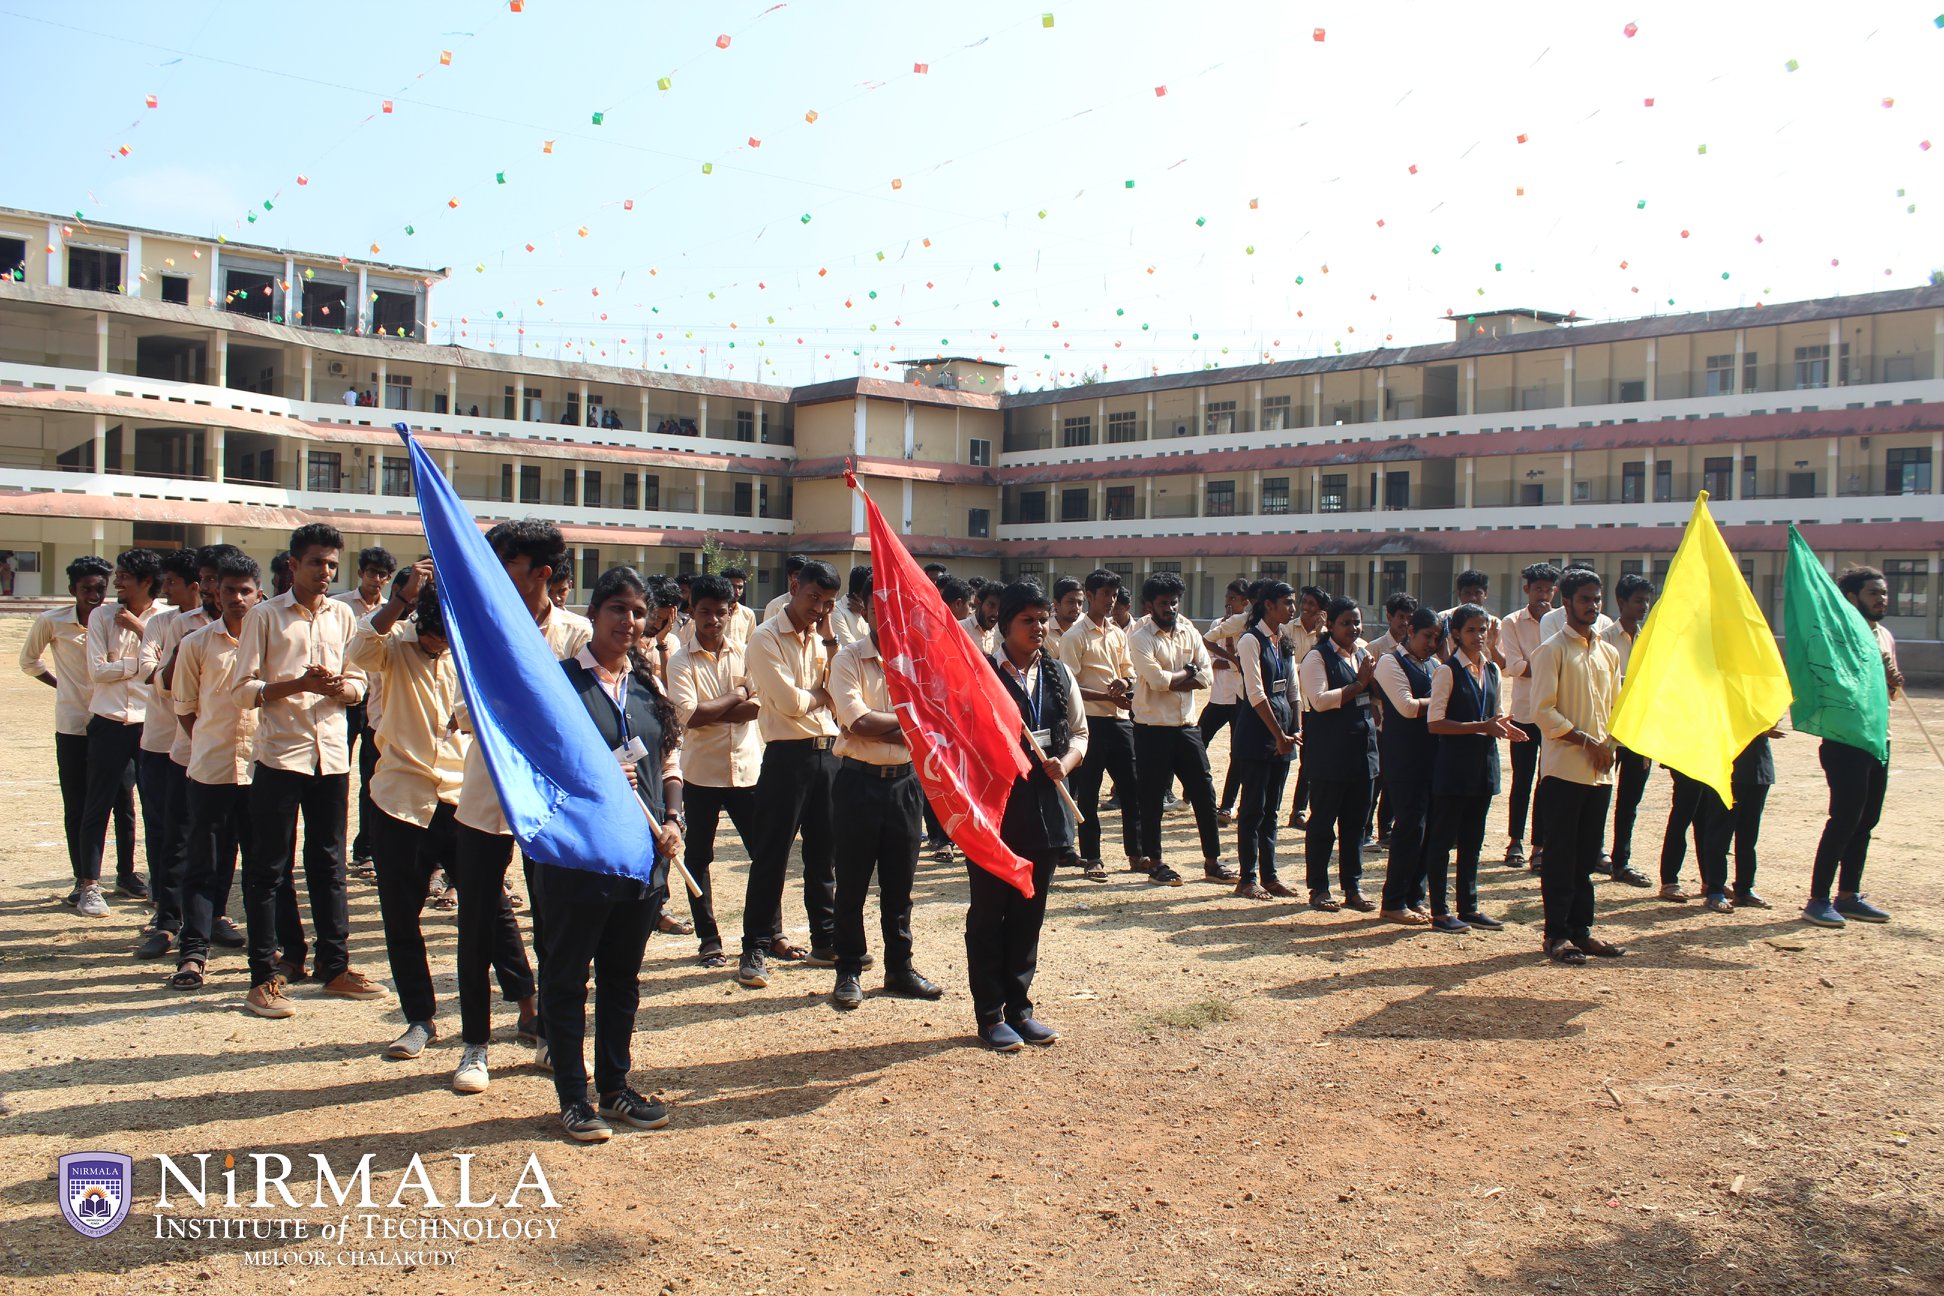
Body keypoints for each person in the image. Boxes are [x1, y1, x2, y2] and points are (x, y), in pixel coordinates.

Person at [349, 562, 517, 1085]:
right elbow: (358, 651)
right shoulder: (395, 645)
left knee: (489, 908)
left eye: (446, 638)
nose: (438, 647)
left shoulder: (466, 655)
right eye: (432, 637)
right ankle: (420, 1020)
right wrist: (400, 599)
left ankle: (526, 1001)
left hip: (458, 798)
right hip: (399, 798)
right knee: (402, 915)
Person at [542, 567, 685, 1142]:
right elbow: (540, 771)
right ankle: (573, 1098)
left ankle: (614, 1087)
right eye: (617, 610)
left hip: (642, 859)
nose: (628, 622)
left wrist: (674, 819)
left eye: (637, 612)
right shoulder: (559, 687)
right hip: (581, 859)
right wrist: (592, 778)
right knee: (568, 976)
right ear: (593, 612)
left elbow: (670, 764)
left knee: (622, 978)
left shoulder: (647, 688)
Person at [452, 520, 589, 1068]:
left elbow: (578, 717)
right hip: (486, 791)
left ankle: (552, 1033)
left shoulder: (576, 635)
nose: (493, 574)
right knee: (477, 919)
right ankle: (474, 1046)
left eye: (506, 563)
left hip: (552, 802)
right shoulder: (476, 630)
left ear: (542, 573)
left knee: (555, 921)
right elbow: (465, 712)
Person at [231, 523, 383, 1017]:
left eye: (332, 564)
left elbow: (360, 682)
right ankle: (264, 976)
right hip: (281, 755)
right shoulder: (265, 616)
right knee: (269, 867)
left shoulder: (343, 616)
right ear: (293, 565)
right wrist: (297, 684)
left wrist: (339, 689)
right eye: (317, 562)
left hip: (331, 756)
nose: (325, 572)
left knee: (328, 862)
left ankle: (334, 967)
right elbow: (244, 688)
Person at [974, 581, 1087, 1050]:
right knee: (989, 914)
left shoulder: (1059, 674)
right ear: (1006, 624)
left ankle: (1020, 1009)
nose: (1039, 627)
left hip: (1045, 810)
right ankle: (989, 1014)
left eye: (1044, 619)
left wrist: (1068, 760)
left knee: (1029, 913)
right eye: (1029, 620)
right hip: (996, 812)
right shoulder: (979, 674)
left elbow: (1080, 733)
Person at [827, 574, 943, 1008]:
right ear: (865, 608)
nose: (888, 615)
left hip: (905, 786)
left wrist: (897, 725)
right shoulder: (848, 659)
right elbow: (857, 722)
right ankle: (849, 970)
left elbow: (935, 719)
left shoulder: (918, 660)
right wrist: (913, 723)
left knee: (900, 885)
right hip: (857, 782)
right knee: (853, 883)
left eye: (896, 607)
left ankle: (900, 968)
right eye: (879, 607)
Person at [738, 559, 843, 987]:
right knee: (772, 856)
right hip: (786, 758)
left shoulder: (822, 640)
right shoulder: (764, 639)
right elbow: (789, 702)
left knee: (824, 857)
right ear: (794, 587)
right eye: (813, 597)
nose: (818, 608)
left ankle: (825, 939)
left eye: (828, 602)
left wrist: (831, 641)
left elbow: (841, 691)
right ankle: (754, 948)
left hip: (828, 754)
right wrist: (823, 693)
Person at [169, 553, 271, 990]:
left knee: (263, 867)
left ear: (259, 594)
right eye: (228, 590)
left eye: (244, 590)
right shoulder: (196, 644)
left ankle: (267, 957)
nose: (236, 598)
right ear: (215, 593)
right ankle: (193, 952)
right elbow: (185, 708)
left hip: (259, 771)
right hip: (210, 769)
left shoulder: (272, 644)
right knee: (203, 865)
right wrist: (209, 744)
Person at [22, 556, 135, 898]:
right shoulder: (52, 621)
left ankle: (127, 874)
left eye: (101, 587)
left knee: (123, 802)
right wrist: (60, 685)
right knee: (79, 803)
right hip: (74, 724)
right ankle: (83, 878)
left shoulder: (118, 621)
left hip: (115, 722)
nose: (95, 594)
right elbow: (29, 661)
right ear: (73, 589)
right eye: (86, 588)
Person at [1530, 567, 1625, 965]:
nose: (1593, 606)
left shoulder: (1608, 651)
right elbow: (1543, 711)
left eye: (1596, 599)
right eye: (1585, 599)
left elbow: (1617, 708)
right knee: (1560, 856)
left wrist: (1611, 743)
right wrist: (1586, 741)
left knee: (1587, 857)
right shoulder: (1551, 649)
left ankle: (1582, 930)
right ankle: (1556, 935)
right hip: (1564, 770)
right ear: (1566, 602)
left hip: (1600, 772)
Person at [667, 574, 761, 968]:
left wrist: (723, 706)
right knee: (699, 858)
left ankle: (765, 934)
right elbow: (692, 716)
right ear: (692, 611)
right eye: (704, 612)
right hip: (701, 774)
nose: (712, 620)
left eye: (720, 613)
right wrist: (738, 695)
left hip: (747, 770)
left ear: (731, 612)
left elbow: (760, 707)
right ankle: (709, 938)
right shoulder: (679, 660)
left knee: (765, 854)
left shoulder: (746, 652)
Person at [1802, 566, 1901, 927]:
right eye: (1874, 593)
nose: (1881, 599)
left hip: (1879, 740)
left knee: (1866, 820)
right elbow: (1838, 685)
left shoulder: (1885, 636)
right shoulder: (1840, 637)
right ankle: (1817, 899)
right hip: (1846, 741)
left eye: (1884, 592)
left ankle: (1849, 895)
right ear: (1851, 597)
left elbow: (1889, 694)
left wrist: (1891, 679)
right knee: (1844, 819)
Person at [75, 549, 166, 917]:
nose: (118, 582)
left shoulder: (166, 618)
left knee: (155, 809)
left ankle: (159, 888)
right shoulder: (101, 616)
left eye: (126, 576)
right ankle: (89, 886)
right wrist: (140, 664)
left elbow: (173, 662)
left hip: (151, 724)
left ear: (146, 582)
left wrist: (141, 632)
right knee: (97, 805)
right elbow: (98, 671)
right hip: (109, 722)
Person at [1423, 606, 1526, 932]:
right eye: (1471, 630)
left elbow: (1496, 715)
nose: (1478, 636)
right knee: (1441, 841)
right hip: (1454, 767)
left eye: (1483, 629)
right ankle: (1439, 909)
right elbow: (1435, 723)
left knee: (1473, 840)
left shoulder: (1492, 669)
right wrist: (1481, 725)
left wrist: (1508, 730)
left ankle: (1469, 906)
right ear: (1455, 635)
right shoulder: (1447, 671)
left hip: (1483, 766)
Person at [131, 549, 210, 958]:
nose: (165, 589)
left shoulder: (243, 621)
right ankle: (166, 916)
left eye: (173, 583)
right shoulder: (165, 625)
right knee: (167, 833)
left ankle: (212, 918)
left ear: (196, 584)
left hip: (213, 747)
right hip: (165, 742)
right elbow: (153, 676)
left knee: (211, 834)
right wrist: (182, 651)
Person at [1128, 572, 1230, 887]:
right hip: (1152, 728)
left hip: (1187, 728)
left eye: (1174, 602)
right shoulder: (1139, 636)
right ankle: (1156, 862)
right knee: (1151, 797)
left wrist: (1177, 678)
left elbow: (1208, 678)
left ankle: (1213, 862)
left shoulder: (1188, 630)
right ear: (1149, 605)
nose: (1170, 609)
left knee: (1204, 793)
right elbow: (1156, 682)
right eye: (1163, 603)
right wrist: (1188, 673)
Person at [1056, 569, 1139, 883]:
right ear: (1089, 596)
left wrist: (1125, 682)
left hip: (1120, 721)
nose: (1111, 600)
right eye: (1105, 594)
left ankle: (1137, 852)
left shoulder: (1117, 633)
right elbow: (1070, 685)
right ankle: (1092, 857)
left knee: (1132, 789)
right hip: (1090, 722)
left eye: (1114, 595)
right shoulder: (1074, 636)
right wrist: (1108, 695)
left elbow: (1129, 671)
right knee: (1088, 793)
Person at [1298, 597, 1379, 912]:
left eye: (1357, 622)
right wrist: (1359, 685)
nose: (1353, 628)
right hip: (1330, 755)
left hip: (1363, 754)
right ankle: (1319, 888)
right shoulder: (1316, 658)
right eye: (1346, 622)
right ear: (1329, 625)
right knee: (1323, 824)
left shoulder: (1363, 653)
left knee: (1356, 825)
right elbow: (1319, 700)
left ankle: (1353, 887)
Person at [1230, 581, 1301, 900]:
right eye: (1287, 603)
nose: (1293, 609)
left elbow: (1293, 689)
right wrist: (1278, 735)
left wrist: (1295, 730)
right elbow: (1256, 693)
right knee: (1253, 808)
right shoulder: (1250, 640)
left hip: (1283, 729)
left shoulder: (1282, 639)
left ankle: (1270, 875)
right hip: (1258, 732)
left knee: (1271, 808)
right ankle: (1247, 878)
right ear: (1268, 605)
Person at [1375, 607, 1441, 923]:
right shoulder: (1390, 662)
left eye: (1437, 638)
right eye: (1427, 636)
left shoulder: (1434, 665)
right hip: (1403, 756)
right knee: (1409, 827)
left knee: (1427, 830)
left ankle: (1416, 895)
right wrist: (1442, 700)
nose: (1431, 643)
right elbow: (1406, 706)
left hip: (1431, 755)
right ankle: (1393, 900)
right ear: (1411, 631)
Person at [335, 546, 397, 883]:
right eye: (371, 572)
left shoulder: (392, 611)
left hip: (378, 701)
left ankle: (367, 849)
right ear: (361, 573)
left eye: (382, 575)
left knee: (372, 775)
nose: (376, 580)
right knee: (338, 773)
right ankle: (349, 848)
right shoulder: (341, 606)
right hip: (346, 695)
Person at [1497, 562, 1557, 871]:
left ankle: (1540, 844)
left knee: (1547, 781)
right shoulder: (1512, 622)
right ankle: (1515, 840)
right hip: (1523, 712)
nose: (1543, 595)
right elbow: (1513, 667)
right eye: (1537, 589)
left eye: (1548, 590)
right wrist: (1549, 669)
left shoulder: (1561, 623)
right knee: (1522, 779)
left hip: (1553, 713)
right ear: (1527, 590)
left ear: (1555, 592)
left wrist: (1542, 669)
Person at [1601, 574, 1656, 887]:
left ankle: (1621, 861)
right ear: (1621, 602)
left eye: (1646, 601)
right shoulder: (1605, 638)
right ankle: (1595, 854)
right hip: (1608, 732)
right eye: (1638, 600)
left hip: (1638, 732)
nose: (1644, 607)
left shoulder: (1650, 640)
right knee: (1600, 796)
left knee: (1629, 800)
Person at [1696, 728, 1783, 913]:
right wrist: (1758, 727)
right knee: (1720, 833)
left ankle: (1744, 889)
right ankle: (1715, 890)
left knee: (1749, 835)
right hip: (1729, 768)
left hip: (1759, 768)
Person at [1200, 579, 1253, 826]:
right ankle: (1193, 791)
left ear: (1246, 602)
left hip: (1240, 698)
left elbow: (1242, 665)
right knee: (1197, 741)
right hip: (1218, 697)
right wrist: (1232, 661)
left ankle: (1227, 805)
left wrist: (1229, 659)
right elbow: (1209, 661)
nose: (1228, 603)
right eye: (1227, 598)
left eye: (1234, 599)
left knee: (1238, 752)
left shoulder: (1249, 628)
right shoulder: (1216, 625)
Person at [1284, 586, 1329, 830]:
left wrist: (1322, 635)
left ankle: (1299, 810)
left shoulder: (1327, 636)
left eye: (1312, 604)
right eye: (1305, 602)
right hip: (1293, 704)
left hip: (1316, 706)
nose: (1306, 608)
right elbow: (1291, 666)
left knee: (1310, 761)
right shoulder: (1287, 629)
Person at [832, 564, 871, 646]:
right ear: (862, 593)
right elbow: (850, 648)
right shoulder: (836, 611)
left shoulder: (868, 610)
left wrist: (866, 613)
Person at [960, 580, 1001, 657]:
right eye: (991, 606)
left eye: (1000, 608)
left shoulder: (999, 635)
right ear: (978, 602)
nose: (996, 613)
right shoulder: (960, 629)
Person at [763, 555, 809, 622]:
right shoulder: (776, 606)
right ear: (790, 577)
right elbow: (767, 631)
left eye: (805, 574)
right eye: (797, 574)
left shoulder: (816, 605)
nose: (801, 578)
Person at [721, 566, 758, 647]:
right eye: (733, 586)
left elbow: (751, 643)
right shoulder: (714, 613)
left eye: (740, 587)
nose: (737, 591)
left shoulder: (748, 614)